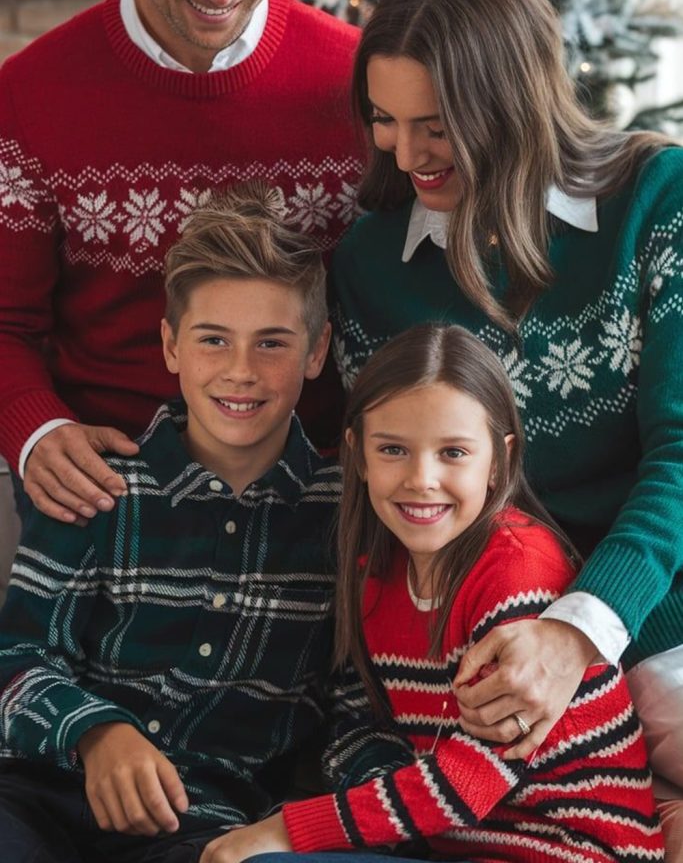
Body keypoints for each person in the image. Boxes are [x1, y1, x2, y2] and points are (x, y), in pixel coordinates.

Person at [327, 0, 683, 784]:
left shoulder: (656, 198)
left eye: (436, 124)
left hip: (656, 615)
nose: (406, 153)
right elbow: (385, 487)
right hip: (485, 640)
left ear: (509, 102)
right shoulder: (371, 265)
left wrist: (578, 632)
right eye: (384, 119)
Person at [0, 187, 405, 863]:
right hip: (37, 794)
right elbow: (16, 657)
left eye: (271, 343)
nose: (240, 372)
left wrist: (390, 799)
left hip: (204, 827)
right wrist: (98, 733)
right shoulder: (100, 485)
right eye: (213, 340)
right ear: (171, 346)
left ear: (316, 352)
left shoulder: (349, 516)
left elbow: (354, 708)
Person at [196, 324, 664, 863]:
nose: (421, 478)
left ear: (499, 461)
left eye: (453, 453)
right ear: (359, 454)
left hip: (574, 851)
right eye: (393, 449)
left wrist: (289, 830)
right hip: (447, 846)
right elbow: (362, 719)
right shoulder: (375, 573)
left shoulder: (518, 568)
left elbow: (470, 782)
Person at [0, 0, 362, 528]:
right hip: (104, 483)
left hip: (312, 488)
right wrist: (37, 431)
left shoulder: (355, 85)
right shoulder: (25, 96)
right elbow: (5, 321)